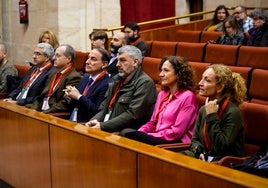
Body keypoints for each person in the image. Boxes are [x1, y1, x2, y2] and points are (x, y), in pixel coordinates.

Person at [119, 56, 198, 145]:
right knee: (127, 133)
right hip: (157, 137)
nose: (161, 74)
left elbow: (177, 132)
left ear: (178, 74)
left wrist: (150, 135)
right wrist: (141, 132)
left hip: (173, 142)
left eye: (166, 70)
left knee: (126, 133)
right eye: (161, 70)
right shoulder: (162, 94)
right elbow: (153, 122)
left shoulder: (188, 97)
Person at [85, 45, 157, 133]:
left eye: (122, 60)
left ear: (135, 62)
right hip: (107, 128)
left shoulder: (144, 83)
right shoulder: (116, 80)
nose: (117, 64)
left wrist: (103, 126)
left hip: (123, 133)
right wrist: (94, 120)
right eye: (117, 60)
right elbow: (104, 107)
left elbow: (133, 115)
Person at [183, 64, 246, 162]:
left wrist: (212, 116)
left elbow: (221, 147)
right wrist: (199, 152)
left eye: (207, 80)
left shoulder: (233, 112)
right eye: (202, 79)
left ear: (220, 87)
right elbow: (195, 140)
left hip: (224, 163)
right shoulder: (203, 109)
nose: (200, 83)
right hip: (203, 158)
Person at [26, 44, 81, 113]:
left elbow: (64, 104)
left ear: (68, 59)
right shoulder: (52, 73)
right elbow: (41, 96)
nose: (53, 58)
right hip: (43, 110)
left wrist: (43, 113)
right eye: (54, 55)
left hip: (53, 114)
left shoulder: (73, 77)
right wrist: (34, 110)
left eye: (58, 56)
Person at [64, 48, 111, 123]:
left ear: (104, 64)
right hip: (72, 120)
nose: (87, 62)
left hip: (87, 124)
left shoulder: (107, 84)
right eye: (88, 58)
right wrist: (69, 97)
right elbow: (74, 105)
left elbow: (97, 112)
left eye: (93, 59)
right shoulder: (85, 78)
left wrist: (79, 96)